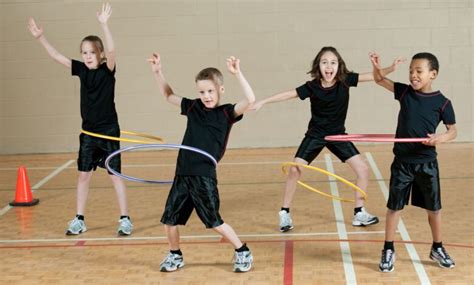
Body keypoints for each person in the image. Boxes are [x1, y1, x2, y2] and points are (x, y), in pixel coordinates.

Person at [252, 46, 403, 232]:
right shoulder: (312, 87)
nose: (329, 66)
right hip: (316, 135)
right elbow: (289, 94)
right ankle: (284, 213)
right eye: (325, 62)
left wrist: (388, 68)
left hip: (338, 135)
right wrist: (263, 101)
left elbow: (373, 76)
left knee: (363, 169)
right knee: (294, 170)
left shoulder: (345, 81)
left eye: (333, 62)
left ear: (339, 66)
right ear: (318, 66)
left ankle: (359, 212)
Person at [28, 3, 133, 236]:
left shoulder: (108, 70)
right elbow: (56, 57)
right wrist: (40, 38)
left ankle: (125, 219)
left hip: (108, 131)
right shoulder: (81, 70)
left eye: (92, 52)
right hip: (88, 133)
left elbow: (113, 51)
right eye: (84, 52)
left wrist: (104, 25)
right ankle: (79, 219)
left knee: (114, 175)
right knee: (83, 175)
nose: (87, 56)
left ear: (101, 54)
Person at [148, 53, 255, 272]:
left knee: (214, 222)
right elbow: (168, 95)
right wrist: (158, 72)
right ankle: (175, 255)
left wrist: (238, 73)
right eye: (202, 92)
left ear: (220, 90)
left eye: (210, 91)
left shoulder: (226, 113)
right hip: (182, 173)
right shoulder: (193, 107)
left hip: (203, 175)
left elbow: (250, 100)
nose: (206, 96)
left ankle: (242, 250)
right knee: (169, 221)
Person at [370, 52, 457, 272]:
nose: (413, 75)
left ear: (432, 74)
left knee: (434, 209)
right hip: (402, 162)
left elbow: (453, 131)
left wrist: (440, 138)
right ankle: (388, 248)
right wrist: (380, 67)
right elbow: (379, 80)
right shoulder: (405, 92)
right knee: (394, 207)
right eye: (411, 71)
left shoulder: (443, 102)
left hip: (427, 164)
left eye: (419, 71)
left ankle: (437, 247)